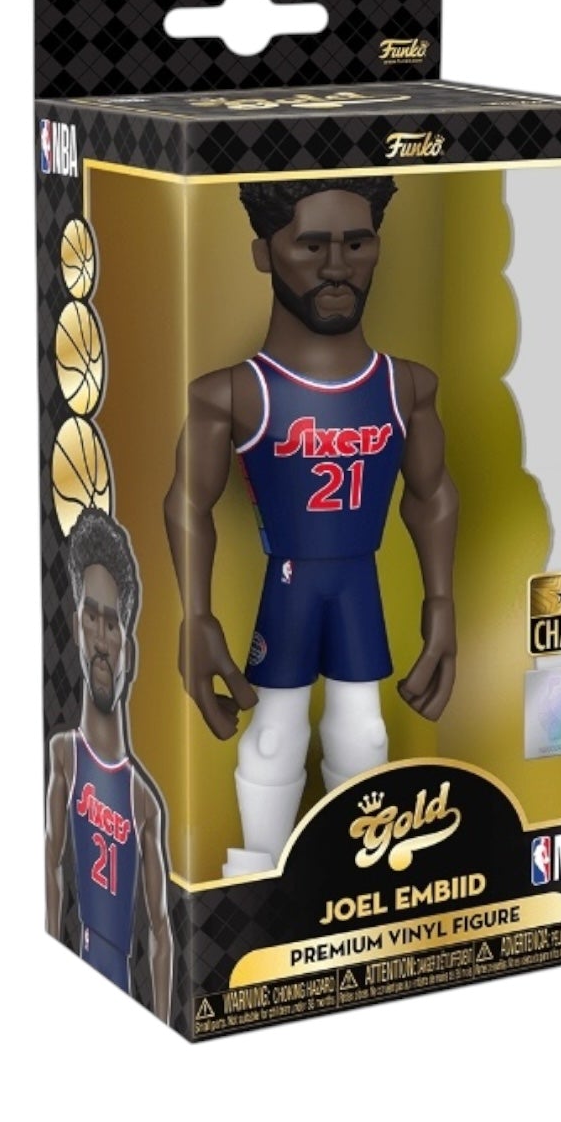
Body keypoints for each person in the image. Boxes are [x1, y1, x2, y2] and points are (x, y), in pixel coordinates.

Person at [164, 177, 458, 878]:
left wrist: (442, 602)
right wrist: (194, 614)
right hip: (290, 582)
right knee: (274, 735)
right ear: (265, 252)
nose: (336, 267)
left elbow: (432, 494)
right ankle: (259, 879)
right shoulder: (233, 393)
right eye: (311, 245)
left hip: (357, 582)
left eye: (356, 244)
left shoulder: (407, 386)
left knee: (365, 733)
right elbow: (188, 502)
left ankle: (356, 878)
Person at [45, 506, 172, 1021]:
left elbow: (160, 930)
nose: (101, 637)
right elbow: (49, 866)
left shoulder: (144, 801)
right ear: (76, 628)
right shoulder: (64, 756)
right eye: (91, 617)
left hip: (124, 985)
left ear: (129, 650)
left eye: (113, 622)